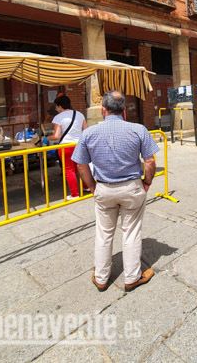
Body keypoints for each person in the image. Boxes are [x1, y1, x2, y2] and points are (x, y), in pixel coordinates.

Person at [73, 91, 158, 293]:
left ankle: (101, 278)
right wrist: (147, 182)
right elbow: (150, 161)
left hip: (104, 188)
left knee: (103, 233)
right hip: (131, 187)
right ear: (124, 110)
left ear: (103, 110)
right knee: (131, 232)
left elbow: (81, 165)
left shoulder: (89, 133)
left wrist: (92, 186)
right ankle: (132, 277)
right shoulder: (138, 129)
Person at [51, 95, 87, 199]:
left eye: (56, 106)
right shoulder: (79, 114)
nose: (56, 109)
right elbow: (86, 130)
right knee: (81, 168)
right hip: (79, 145)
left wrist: (46, 137)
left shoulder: (58, 117)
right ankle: (87, 187)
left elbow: (56, 136)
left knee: (69, 170)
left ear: (60, 106)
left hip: (66, 147)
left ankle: (75, 194)